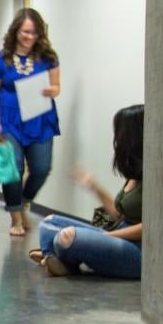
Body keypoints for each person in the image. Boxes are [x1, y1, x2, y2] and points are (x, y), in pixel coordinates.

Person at [29, 105, 144, 278]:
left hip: (138, 250)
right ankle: (55, 258)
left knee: (67, 237)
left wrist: (107, 237)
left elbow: (149, 229)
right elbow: (119, 215)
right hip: (120, 236)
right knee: (49, 223)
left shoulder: (157, 178)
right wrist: (93, 185)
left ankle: (54, 256)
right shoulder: (135, 174)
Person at [0, 8, 62, 236]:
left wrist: (51, 90)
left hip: (39, 117)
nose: (30, 37)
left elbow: (57, 86)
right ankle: (16, 218)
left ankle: (23, 201)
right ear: (16, 31)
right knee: (13, 168)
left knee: (41, 168)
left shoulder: (48, 57)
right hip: (8, 121)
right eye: (26, 32)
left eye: (35, 33)